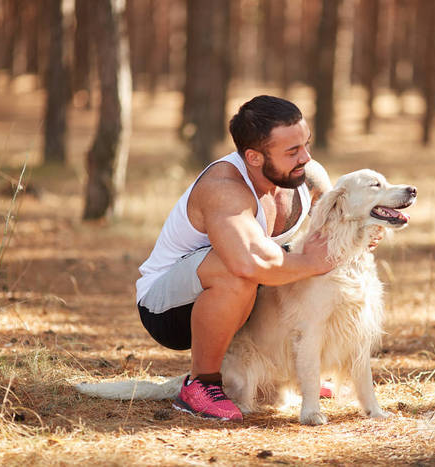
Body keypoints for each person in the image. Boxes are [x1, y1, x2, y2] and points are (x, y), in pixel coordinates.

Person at [136, 95, 381, 421]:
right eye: (292, 152)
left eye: (305, 144)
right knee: (240, 269)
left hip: (249, 298)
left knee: (287, 270)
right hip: (168, 307)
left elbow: (337, 219)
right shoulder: (224, 187)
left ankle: (286, 372)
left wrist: (367, 229)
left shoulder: (306, 175)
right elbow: (249, 261)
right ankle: (200, 385)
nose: (305, 157)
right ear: (253, 156)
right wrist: (315, 263)